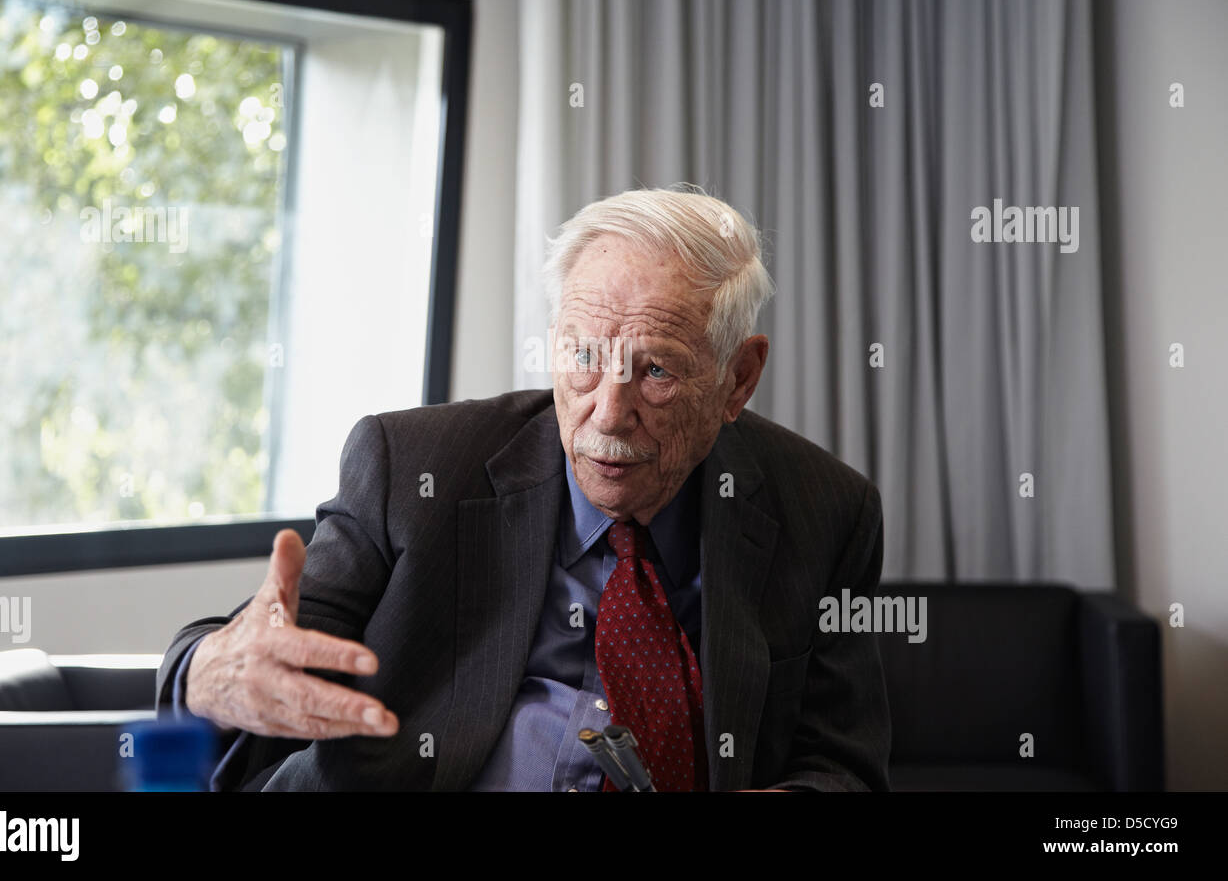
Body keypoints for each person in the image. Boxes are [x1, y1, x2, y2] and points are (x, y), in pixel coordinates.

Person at [156, 186, 890, 791]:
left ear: (738, 378)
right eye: (581, 357)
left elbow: (843, 767)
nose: (607, 412)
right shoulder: (416, 469)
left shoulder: (824, 511)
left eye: (656, 372)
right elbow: (253, 647)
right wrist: (206, 671)